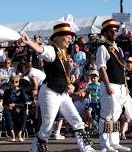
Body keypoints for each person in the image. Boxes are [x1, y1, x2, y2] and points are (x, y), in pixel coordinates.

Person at [20, 23, 96, 152]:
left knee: (76, 120)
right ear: (59, 38)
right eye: (68, 36)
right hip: (50, 92)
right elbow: (40, 50)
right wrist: (29, 42)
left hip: (62, 94)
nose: (71, 40)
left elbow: (62, 74)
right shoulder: (51, 50)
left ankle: (86, 148)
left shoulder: (64, 53)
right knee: (47, 127)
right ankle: (34, 149)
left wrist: (69, 85)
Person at [96, 18, 131, 152]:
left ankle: (114, 142)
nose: (115, 32)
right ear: (105, 33)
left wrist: (126, 86)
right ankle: (105, 144)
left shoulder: (119, 49)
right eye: (112, 30)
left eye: (116, 30)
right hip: (110, 85)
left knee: (116, 116)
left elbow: (122, 70)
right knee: (107, 115)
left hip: (121, 86)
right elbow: (101, 68)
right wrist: (107, 85)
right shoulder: (102, 48)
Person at [3, 75, 28, 142]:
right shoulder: (7, 91)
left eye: (16, 82)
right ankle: (12, 133)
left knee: (25, 113)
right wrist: (8, 106)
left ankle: (20, 133)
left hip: (19, 109)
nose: (14, 83)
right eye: (12, 81)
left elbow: (25, 102)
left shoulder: (21, 91)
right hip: (10, 109)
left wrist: (15, 104)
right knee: (6, 112)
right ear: (10, 82)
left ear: (18, 82)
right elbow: (4, 104)